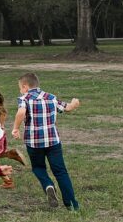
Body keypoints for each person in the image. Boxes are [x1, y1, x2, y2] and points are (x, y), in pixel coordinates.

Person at [11, 72, 80, 210]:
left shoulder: (24, 98)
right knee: (60, 171)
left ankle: (48, 185)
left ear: (25, 87)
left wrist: (15, 128)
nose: (20, 91)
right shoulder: (51, 97)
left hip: (34, 142)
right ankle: (72, 205)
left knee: (38, 168)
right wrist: (75, 102)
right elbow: (68, 108)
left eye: (20, 88)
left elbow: (21, 112)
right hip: (53, 141)